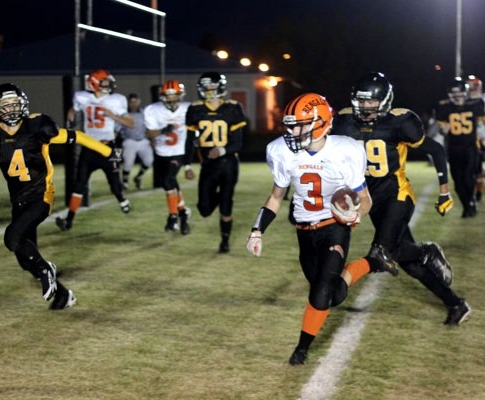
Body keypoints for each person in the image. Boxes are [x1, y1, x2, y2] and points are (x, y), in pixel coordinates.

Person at [245, 93, 377, 366]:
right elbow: (275, 197)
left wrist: (354, 214)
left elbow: (365, 200)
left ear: (322, 123)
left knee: (320, 294)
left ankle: (301, 349)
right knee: (334, 295)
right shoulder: (280, 151)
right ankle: (370, 263)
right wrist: (257, 230)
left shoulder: (346, 149)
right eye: (290, 125)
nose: (293, 132)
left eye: (300, 125)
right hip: (304, 230)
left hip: (334, 227)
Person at [331, 72, 471, 326]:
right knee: (411, 265)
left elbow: (436, 149)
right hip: (370, 201)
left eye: (372, 102)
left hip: (397, 195)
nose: (366, 107)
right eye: (362, 101)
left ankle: (425, 251)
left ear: (385, 101)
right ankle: (456, 304)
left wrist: (444, 190)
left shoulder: (400, 122)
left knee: (381, 252)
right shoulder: (343, 122)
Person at [0, 83, 117, 310]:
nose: (11, 108)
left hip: (40, 196)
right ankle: (63, 296)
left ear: (22, 104)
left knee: (11, 238)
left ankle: (47, 269)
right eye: (5, 105)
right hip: (18, 201)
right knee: (26, 259)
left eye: (14, 103)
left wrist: (108, 152)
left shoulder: (36, 127)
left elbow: (77, 136)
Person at [56, 69, 133, 231]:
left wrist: (113, 116)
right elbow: (73, 109)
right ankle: (69, 220)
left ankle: (123, 201)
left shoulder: (116, 100)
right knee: (79, 184)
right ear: (94, 84)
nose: (108, 85)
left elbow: (130, 123)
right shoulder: (82, 97)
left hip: (109, 147)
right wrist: (69, 119)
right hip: (89, 147)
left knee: (114, 183)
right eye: (104, 82)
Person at [184, 72, 247, 252]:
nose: (208, 90)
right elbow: (189, 140)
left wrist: (222, 150)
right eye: (206, 87)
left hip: (228, 163)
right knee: (204, 209)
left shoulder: (232, 108)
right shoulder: (195, 109)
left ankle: (224, 241)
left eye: (212, 86)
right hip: (208, 165)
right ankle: (223, 197)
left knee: (226, 208)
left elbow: (238, 142)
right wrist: (187, 165)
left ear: (219, 87)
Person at [144, 80, 192, 234]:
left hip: (178, 152)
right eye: (168, 96)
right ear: (162, 96)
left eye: (174, 96)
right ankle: (183, 212)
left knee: (168, 180)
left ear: (180, 95)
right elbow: (149, 134)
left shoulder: (188, 109)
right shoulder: (153, 109)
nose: (171, 99)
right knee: (171, 183)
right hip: (161, 152)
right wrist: (164, 129)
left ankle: (173, 216)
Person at [434, 78, 485, 217]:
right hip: (454, 149)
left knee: (468, 177)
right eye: (453, 93)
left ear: (464, 92)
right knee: (457, 182)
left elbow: (482, 124)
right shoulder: (445, 108)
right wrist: (443, 129)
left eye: (459, 93)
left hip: (471, 148)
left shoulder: (475, 105)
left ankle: (469, 205)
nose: (457, 96)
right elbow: (442, 129)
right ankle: (468, 204)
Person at [118, 93, 154, 190]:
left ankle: (138, 177)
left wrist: (151, 139)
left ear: (139, 102)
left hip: (143, 140)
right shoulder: (124, 114)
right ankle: (125, 182)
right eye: (131, 102)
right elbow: (118, 129)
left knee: (149, 160)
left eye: (135, 102)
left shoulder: (144, 113)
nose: (133, 104)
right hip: (129, 140)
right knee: (128, 163)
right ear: (128, 103)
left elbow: (149, 127)